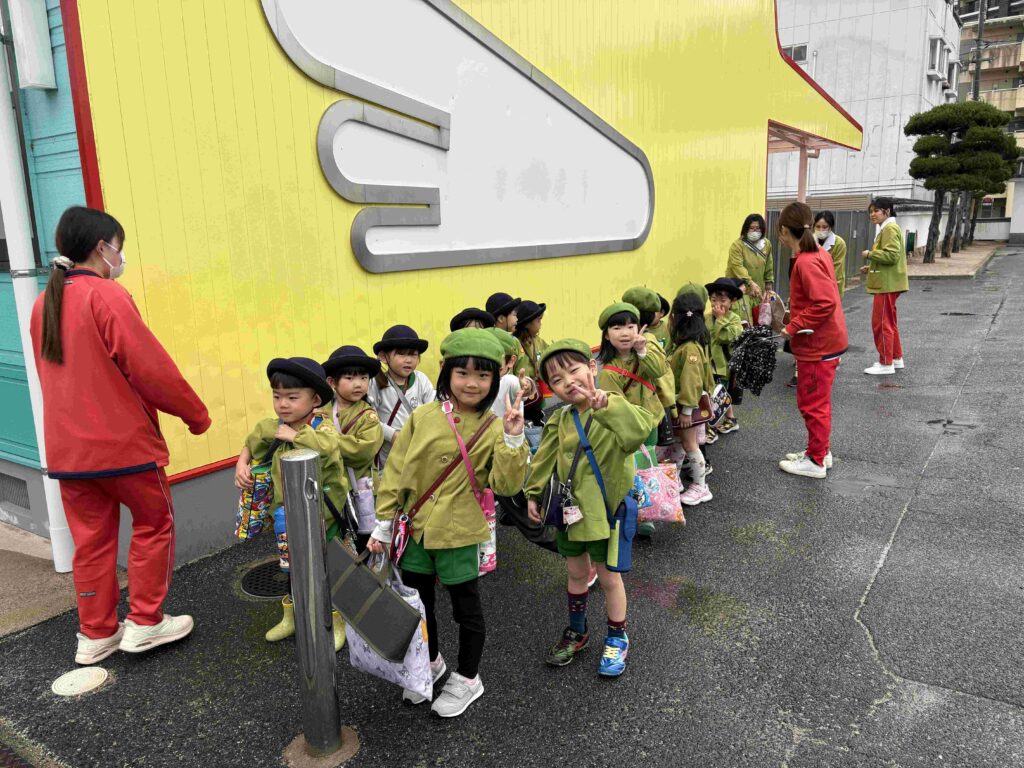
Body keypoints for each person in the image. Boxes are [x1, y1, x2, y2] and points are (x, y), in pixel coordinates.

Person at [30, 206, 211, 665]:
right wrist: (195, 415)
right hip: (124, 447)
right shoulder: (106, 295)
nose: (121, 256)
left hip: (68, 454)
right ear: (102, 247)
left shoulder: (43, 303)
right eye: (119, 247)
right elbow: (150, 368)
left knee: (91, 543)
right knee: (154, 524)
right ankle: (146, 622)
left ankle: (96, 633)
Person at [368, 329, 528, 717]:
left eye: (482, 375)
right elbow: (396, 472)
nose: (472, 383)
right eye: (463, 373)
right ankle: (431, 661)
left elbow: (506, 485)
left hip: (459, 532)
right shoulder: (423, 417)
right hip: (416, 530)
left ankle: (469, 678)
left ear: (495, 378)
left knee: (465, 609)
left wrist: (513, 439)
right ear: (445, 371)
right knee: (418, 605)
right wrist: (384, 523)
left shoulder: (494, 426)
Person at [526, 339, 650, 677]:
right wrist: (533, 494)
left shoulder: (612, 405)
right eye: (557, 379)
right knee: (576, 572)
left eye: (573, 370)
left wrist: (607, 407)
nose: (568, 382)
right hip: (569, 513)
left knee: (609, 578)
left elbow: (639, 432)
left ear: (591, 367)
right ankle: (577, 631)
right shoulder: (560, 418)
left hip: (605, 514)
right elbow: (544, 459)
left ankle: (617, 636)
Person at [235, 358, 349, 648]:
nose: (283, 404)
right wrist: (241, 463)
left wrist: (297, 436)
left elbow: (329, 447)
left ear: (315, 400)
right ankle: (293, 616)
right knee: (290, 566)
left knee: (326, 567)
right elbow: (252, 441)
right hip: (286, 515)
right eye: (277, 396)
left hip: (323, 516)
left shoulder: (322, 428)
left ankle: (336, 620)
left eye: (292, 397)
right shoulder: (274, 426)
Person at [775, 202, 848, 479]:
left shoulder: (806, 260)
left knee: (812, 404)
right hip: (826, 340)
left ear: (784, 230)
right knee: (818, 402)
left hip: (818, 344)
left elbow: (824, 302)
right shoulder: (817, 252)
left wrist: (793, 326)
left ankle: (816, 461)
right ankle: (820, 451)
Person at [321, 345, 385, 550]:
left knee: (363, 540)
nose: (358, 384)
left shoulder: (368, 416)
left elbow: (362, 452)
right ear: (332, 382)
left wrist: (324, 440)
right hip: (332, 488)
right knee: (334, 539)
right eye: (349, 378)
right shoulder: (322, 410)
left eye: (364, 378)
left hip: (358, 488)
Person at [670, 293, 716, 506]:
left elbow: (691, 381)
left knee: (689, 444)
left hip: (687, 406)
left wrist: (687, 410)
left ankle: (701, 486)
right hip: (684, 405)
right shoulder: (693, 344)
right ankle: (674, 480)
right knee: (680, 443)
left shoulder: (689, 348)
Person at [368, 325, 435, 468]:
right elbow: (369, 420)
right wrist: (393, 435)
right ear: (383, 357)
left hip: (419, 451)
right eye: (401, 354)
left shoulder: (421, 380)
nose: (409, 360)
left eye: (413, 354)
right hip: (389, 456)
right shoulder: (375, 383)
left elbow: (434, 410)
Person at [861, 197, 908, 376]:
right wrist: (871, 267)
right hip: (890, 281)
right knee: (889, 323)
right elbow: (892, 257)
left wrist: (870, 254)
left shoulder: (889, 228)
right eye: (870, 211)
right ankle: (895, 358)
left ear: (887, 211)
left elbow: (891, 255)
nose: (872, 214)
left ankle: (886, 363)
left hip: (887, 285)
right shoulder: (890, 227)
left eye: (876, 210)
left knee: (881, 323)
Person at [705, 278, 744, 434]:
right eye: (714, 300)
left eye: (723, 301)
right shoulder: (706, 318)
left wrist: (720, 320)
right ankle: (731, 419)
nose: (717, 304)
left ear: (732, 302)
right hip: (709, 362)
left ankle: (711, 427)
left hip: (724, 365)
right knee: (719, 393)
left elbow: (728, 337)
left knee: (717, 395)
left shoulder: (734, 319)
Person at [726, 213, 775, 326]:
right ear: (746, 229)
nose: (754, 231)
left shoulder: (766, 244)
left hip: (759, 293)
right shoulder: (737, 246)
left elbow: (769, 265)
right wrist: (750, 282)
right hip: (741, 293)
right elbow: (737, 267)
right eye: (751, 228)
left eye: (757, 228)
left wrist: (769, 285)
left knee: (761, 323)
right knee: (745, 325)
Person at [512, 300, 549, 424]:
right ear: (527, 324)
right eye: (538, 320)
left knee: (536, 417)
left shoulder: (538, 341)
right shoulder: (514, 343)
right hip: (520, 392)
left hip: (535, 390)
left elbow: (548, 354)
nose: (541, 324)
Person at [814, 210, 848, 295]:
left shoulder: (839, 243)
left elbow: (837, 271)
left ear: (830, 227)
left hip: (832, 287)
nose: (821, 230)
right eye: (818, 226)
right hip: (812, 286)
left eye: (824, 227)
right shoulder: (809, 241)